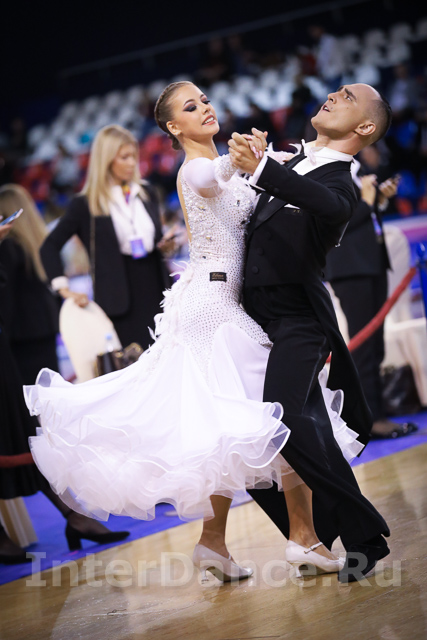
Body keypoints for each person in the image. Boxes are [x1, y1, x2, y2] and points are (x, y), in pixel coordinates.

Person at [23, 82, 362, 583]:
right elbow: (209, 175)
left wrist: (256, 163)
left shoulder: (222, 166)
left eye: (204, 100)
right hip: (212, 306)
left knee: (228, 425)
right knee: (274, 418)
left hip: (223, 302)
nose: (204, 108)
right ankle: (302, 538)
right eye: (190, 106)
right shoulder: (195, 168)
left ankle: (216, 543)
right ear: (172, 128)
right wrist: (244, 161)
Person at [228, 83, 392, 583]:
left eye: (348, 97)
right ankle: (340, 537)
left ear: (365, 127)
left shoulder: (341, 183)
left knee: (278, 420)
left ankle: (356, 526)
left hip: (299, 317)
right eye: (336, 91)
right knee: (296, 430)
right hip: (251, 316)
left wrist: (262, 168)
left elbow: (327, 204)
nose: (334, 95)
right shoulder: (293, 160)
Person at [0, 217, 129, 564]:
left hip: (14, 347)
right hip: (17, 343)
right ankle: (72, 516)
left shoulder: (16, 246)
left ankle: (73, 514)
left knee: (23, 434)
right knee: (20, 435)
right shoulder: (19, 245)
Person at [40, 124, 174, 351]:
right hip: (119, 301)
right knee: (137, 364)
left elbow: (157, 240)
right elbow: (49, 247)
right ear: (106, 160)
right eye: (124, 157)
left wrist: (167, 246)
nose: (132, 163)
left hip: (159, 290)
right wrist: (64, 289)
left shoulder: (147, 192)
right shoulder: (86, 204)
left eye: (134, 156)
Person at [325, 149, 418, 438]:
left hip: (371, 262)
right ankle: (370, 420)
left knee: (375, 346)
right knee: (364, 346)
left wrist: (377, 199)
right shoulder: (325, 170)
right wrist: (367, 201)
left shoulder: (353, 167)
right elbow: (334, 222)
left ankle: (376, 412)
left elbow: (360, 216)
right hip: (351, 268)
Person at [0, 184, 60, 384]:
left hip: (21, 336)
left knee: (32, 397)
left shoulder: (8, 247)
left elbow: (6, 298)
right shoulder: (40, 242)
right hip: (45, 328)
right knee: (51, 392)